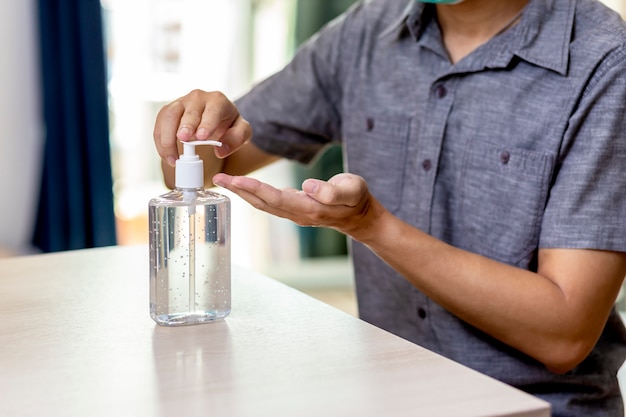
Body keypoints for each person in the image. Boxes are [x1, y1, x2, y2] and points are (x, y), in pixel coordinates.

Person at [153, 0, 626, 415]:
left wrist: (371, 225)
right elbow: (206, 167)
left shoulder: (606, 61)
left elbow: (564, 334)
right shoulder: (365, 32)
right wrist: (192, 130)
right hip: (389, 398)